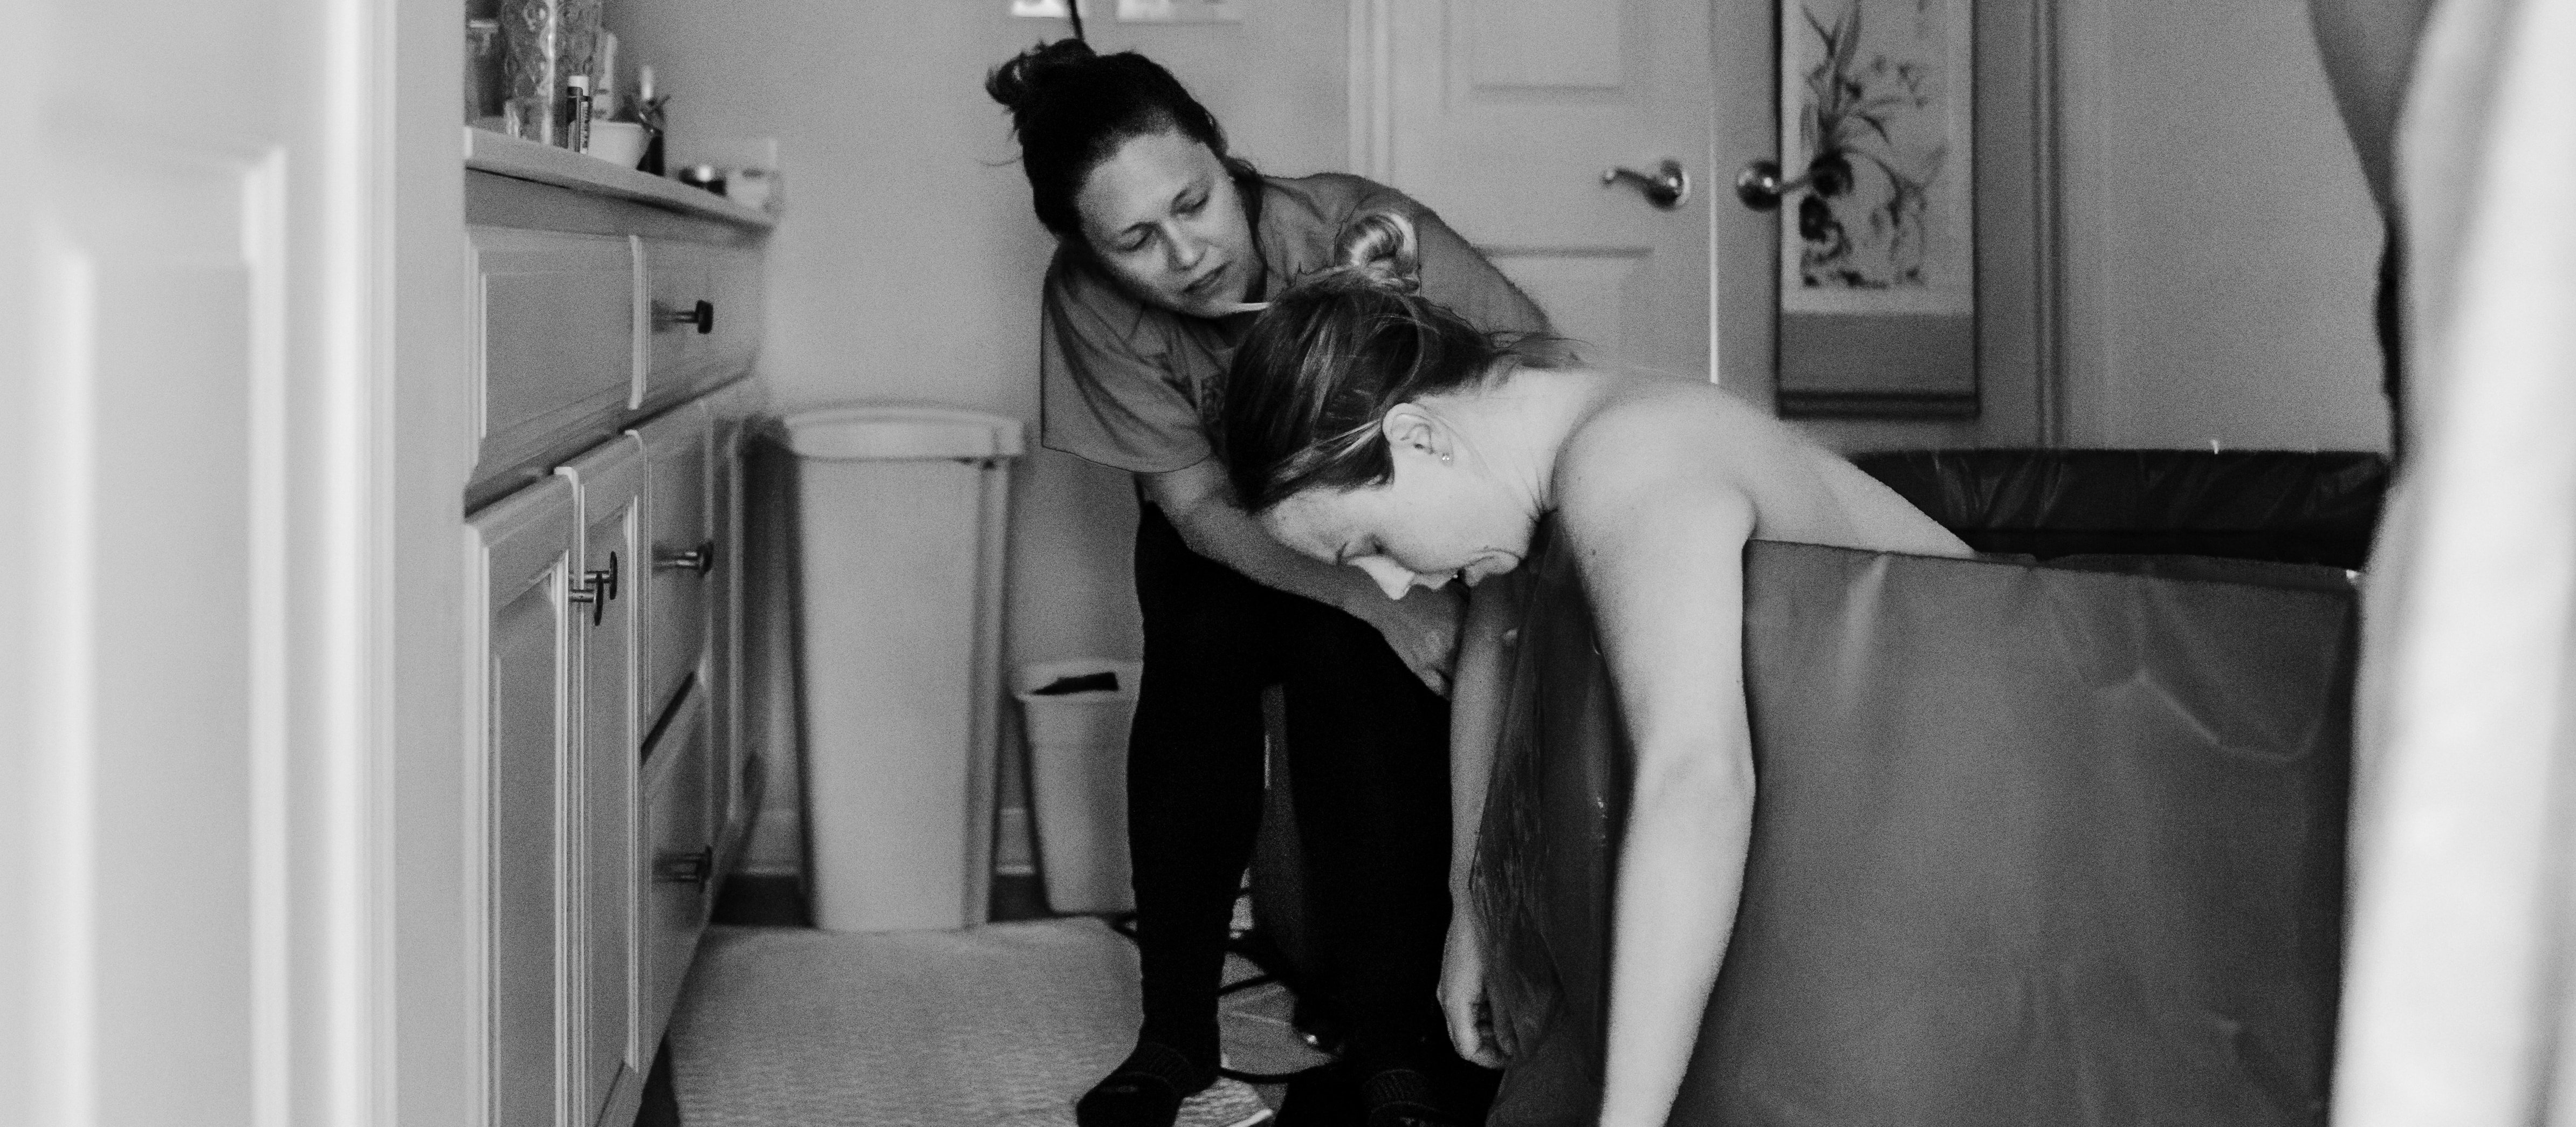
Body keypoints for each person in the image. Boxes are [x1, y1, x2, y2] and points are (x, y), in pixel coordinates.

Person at [1217, 214, 1973, 1127]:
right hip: (1887, 800)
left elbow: (1695, 779)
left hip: (1989, 786)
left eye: (1367, 542)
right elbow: (1494, 649)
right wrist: (1473, 914)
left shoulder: (1626, 460)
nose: (1391, 582)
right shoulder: (1539, 452)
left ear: (1417, 438)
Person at [984, 40, 1556, 1127]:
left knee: (1358, 679)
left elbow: (1537, 376)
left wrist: (1406, 591)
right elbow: (1195, 509)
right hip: (1231, 538)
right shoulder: (1090, 308)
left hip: (1388, 524)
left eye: (1192, 203)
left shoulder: (1360, 233)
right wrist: (1364, 597)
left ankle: (1392, 1045)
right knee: (1193, 650)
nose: (1185, 254)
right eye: (1133, 241)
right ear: (1086, 253)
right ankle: (1173, 1033)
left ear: (1220, 153)